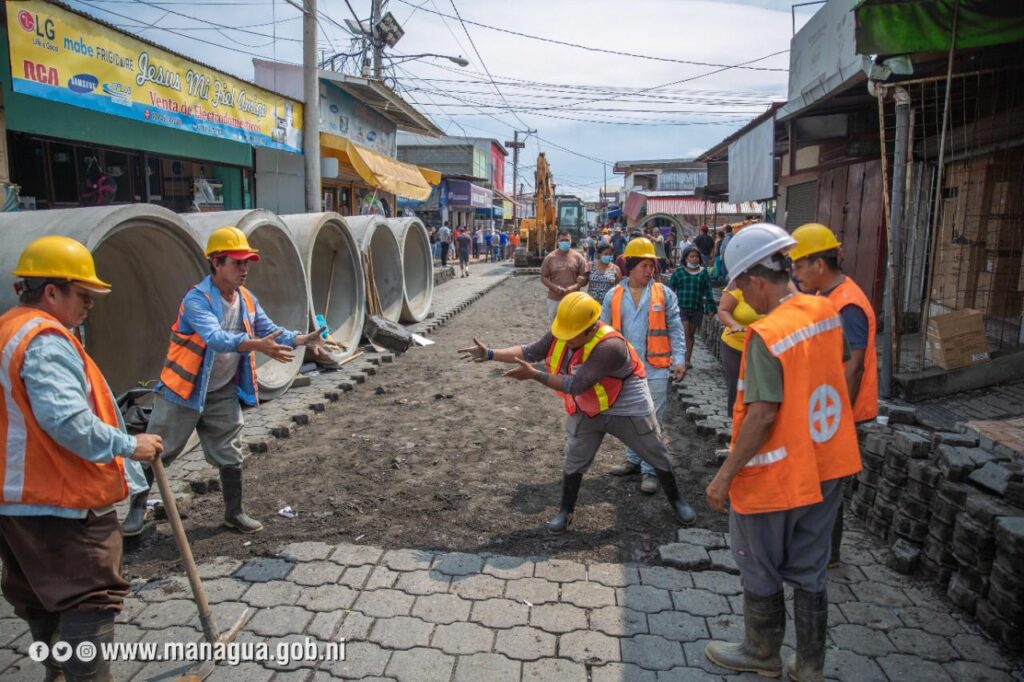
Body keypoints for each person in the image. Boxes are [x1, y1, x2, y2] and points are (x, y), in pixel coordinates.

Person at [0, 236, 164, 681]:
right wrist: (130, 445)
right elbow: (67, 422)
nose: (90, 304)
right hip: (62, 503)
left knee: (38, 595)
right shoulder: (45, 342)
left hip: (16, 502)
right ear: (52, 291)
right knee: (89, 598)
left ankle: (56, 671)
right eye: (83, 294)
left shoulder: (8, 330)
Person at [703, 223, 861, 682]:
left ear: (755, 280)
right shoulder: (824, 310)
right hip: (828, 462)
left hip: (776, 473)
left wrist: (724, 477)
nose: (741, 297)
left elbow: (762, 416)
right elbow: (839, 365)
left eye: (740, 286)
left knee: (759, 562)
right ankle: (810, 665)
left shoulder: (767, 334)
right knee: (812, 565)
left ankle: (761, 651)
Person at [121, 227, 328, 537]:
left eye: (247, 263)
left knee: (230, 450)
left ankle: (235, 512)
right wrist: (255, 344)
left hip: (220, 392)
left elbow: (268, 329)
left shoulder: (246, 299)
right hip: (182, 391)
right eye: (237, 262)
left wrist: (301, 339)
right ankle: (136, 511)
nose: (245, 269)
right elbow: (215, 338)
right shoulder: (197, 299)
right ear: (217, 263)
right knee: (157, 449)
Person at [458, 292, 697, 533]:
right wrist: (491, 354)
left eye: (572, 335)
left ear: (590, 328)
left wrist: (535, 375)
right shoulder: (565, 330)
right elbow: (530, 352)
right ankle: (566, 510)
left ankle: (677, 501)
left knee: (654, 450)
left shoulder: (611, 346)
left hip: (627, 405)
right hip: (589, 405)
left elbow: (576, 384)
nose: (565, 339)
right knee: (575, 456)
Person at [790, 223, 878, 569]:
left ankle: (827, 555)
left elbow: (852, 368)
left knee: (827, 486)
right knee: (821, 483)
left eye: (799, 265)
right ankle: (823, 551)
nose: (795, 273)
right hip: (824, 408)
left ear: (819, 264)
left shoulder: (848, 304)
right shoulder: (825, 297)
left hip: (837, 411)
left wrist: (836, 420)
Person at [603, 238, 688, 495]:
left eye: (652, 266)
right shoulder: (613, 296)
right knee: (631, 416)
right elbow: (603, 333)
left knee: (653, 419)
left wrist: (680, 359)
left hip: (656, 367)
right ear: (630, 266)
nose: (649, 270)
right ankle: (633, 460)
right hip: (625, 369)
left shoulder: (664, 294)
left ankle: (649, 470)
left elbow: (675, 328)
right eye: (644, 265)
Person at [718, 286, 763, 417]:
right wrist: (734, 324)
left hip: (764, 348)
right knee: (737, 387)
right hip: (735, 346)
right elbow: (723, 311)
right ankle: (736, 421)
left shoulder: (775, 288)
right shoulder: (736, 286)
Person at [669, 246, 716, 369]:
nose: (694, 259)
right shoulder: (679, 272)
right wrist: (668, 306)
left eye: (696, 256)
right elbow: (670, 290)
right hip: (681, 307)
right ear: (686, 258)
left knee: (690, 334)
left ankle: (687, 360)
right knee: (684, 333)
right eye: (692, 256)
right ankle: (679, 360)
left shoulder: (703, 273)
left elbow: (708, 291)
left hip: (697, 308)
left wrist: (711, 308)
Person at [540, 231, 589, 322]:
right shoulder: (550, 257)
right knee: (555, 325)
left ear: (571, 241)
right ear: (557, 241)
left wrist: (574, 287)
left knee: (573, 325)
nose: (565, 242)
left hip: (573, 299)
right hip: (554, 299)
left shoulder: (578, 257)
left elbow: (585, 277)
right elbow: (543, 277)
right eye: (562, 240)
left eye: (567, 240)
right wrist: (555, 288)